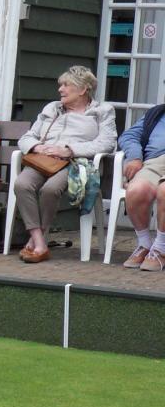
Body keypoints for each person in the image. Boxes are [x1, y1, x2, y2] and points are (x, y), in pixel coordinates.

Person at [12, 66, 115, 264]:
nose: (60, 90)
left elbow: (106, 143)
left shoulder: (102, 111)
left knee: (50, 190)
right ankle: (40, 241)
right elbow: (27, 137)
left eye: (66, 85)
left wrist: (70, 150)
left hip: (74, 162)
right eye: (60, 85)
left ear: (83, 89)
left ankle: (36, 242)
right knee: (21, 184)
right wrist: (37, 147)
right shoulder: (52, 108)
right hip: (43, 159)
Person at [116, 101, 165, 270]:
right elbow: (128, 136)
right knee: (136, 190)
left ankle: (161, 248)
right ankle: (145, 244)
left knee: (164, 190)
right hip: (154, 162)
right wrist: (135, 157)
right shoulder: (156, 113)